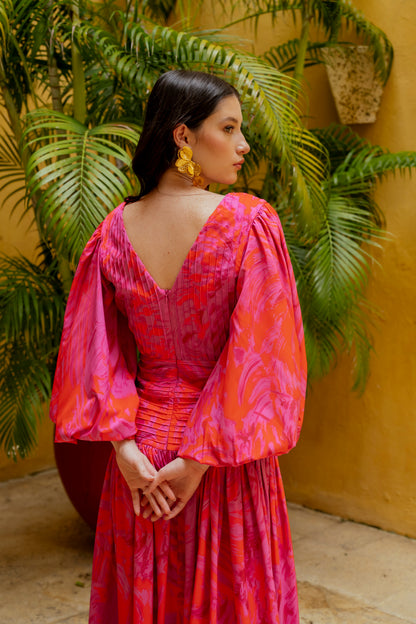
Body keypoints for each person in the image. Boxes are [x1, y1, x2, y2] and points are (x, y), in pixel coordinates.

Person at [50, 69, 307, 624]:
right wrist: (197, 459)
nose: (243, 144)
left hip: (142, 464)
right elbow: (263, 355)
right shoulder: (248, 224)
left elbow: (93, 353)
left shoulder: (112, 232)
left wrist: (124, 451)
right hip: (224, 460)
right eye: (228, 128)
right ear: (183, 136)